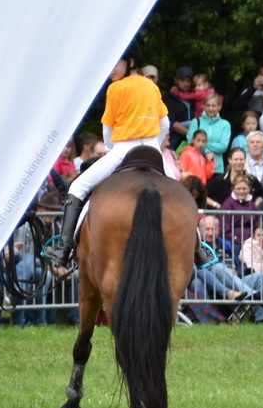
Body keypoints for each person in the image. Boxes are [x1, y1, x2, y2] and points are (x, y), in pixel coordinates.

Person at [54, 55, 195, 266]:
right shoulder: (151, 86)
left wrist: (112, 150)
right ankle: (199, 248)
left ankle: (63, 249)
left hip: (122, 150)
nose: (110, 70)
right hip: (152, 149)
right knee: (180, 194)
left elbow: (107, 129)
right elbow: (165, 123)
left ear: (131, 62)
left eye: (115, 63)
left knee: (78, 187)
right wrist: (154, 145)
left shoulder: (116, 88)